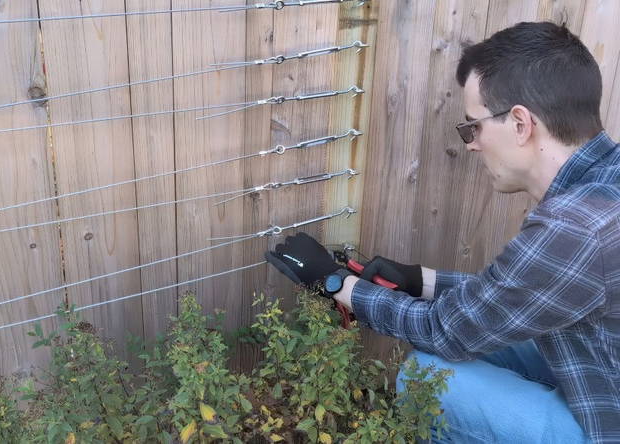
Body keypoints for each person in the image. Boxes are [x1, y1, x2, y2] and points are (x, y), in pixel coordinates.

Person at [265, 22, 620, 443]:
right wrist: (420, 280)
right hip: (604, 369)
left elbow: (444, 331)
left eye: (474, 126)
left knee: (430, 375)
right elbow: (522, 293)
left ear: (521, 124)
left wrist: (336, 284)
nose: (471, 143)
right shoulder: (602, 191)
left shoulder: (575, 227)